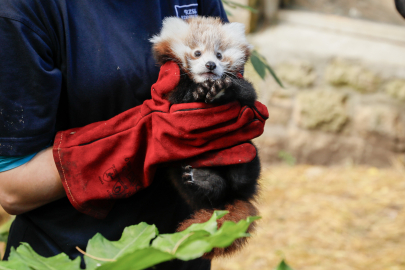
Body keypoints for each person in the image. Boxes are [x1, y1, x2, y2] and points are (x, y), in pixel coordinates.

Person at [0, 1, 242, 269]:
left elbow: (232, 77)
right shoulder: (22, 10)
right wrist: (145, 140)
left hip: (181, 249)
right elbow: (12, 188)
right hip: (73, 255)